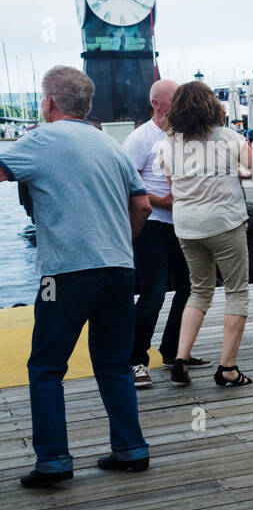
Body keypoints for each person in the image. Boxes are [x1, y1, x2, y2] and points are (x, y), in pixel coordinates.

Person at [0, 66, 152, 488]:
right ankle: (131, 449)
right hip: (119, 269)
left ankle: (53, 461)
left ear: (48, 102)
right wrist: (121, 243)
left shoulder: (40, 141)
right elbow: (141, 206)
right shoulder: (111, 145)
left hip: (64, 273)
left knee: (46, 367)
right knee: (114, 363)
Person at [159, 81, 253, 388]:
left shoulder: (169, 142)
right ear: (212, 106)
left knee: (199, 290)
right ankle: (228, 369)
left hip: (186, 226)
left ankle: (180, 359)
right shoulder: (228, 138)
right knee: (236, 292)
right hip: (224, 224)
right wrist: (240, 172)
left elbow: (173, 185)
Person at [122, 79, 205, 388]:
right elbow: (126, 187)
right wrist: (164, 201)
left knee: (190, 287)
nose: (183, 102)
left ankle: (173, 351)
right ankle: (134, 360)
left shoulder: (185, 135)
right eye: (176, 98)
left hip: (183, 224)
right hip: (152, 224)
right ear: (157, 104)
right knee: (154, 292)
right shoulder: (139, 139)